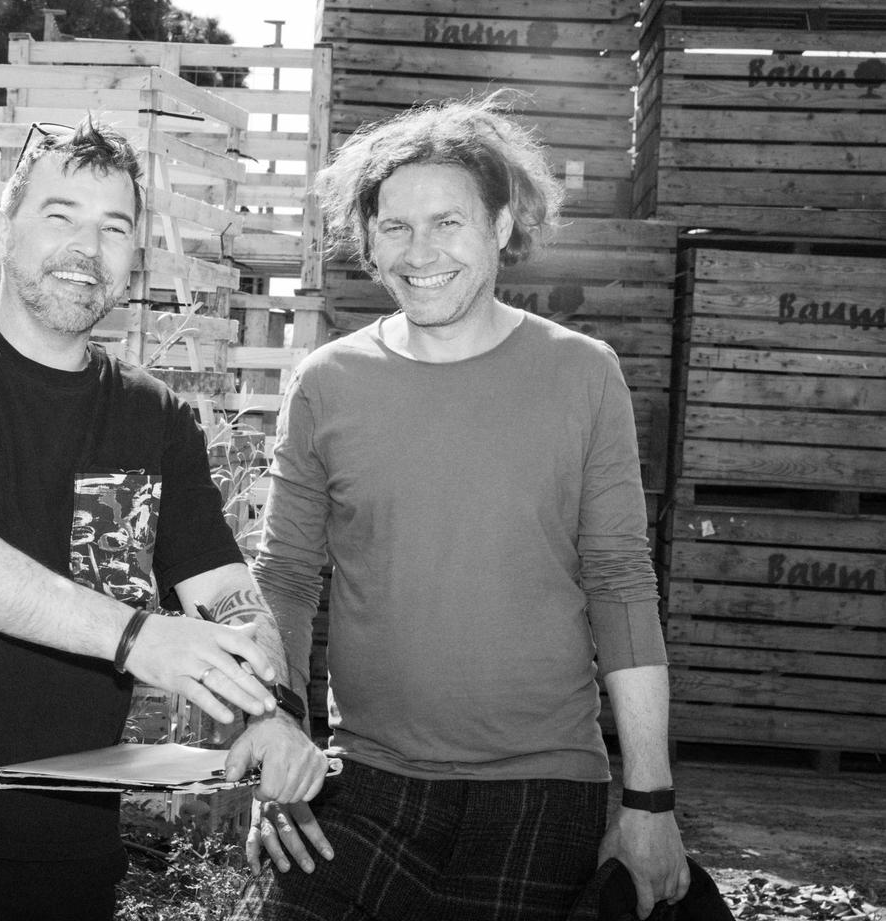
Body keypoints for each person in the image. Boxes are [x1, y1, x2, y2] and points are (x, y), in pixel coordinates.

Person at [0, 117, 328, 921]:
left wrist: (273, 714)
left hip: (69, 855)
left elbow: (225, 588)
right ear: (4, 230)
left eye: (114, 227)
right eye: (60, 216)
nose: (87, 247)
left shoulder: (154, 419)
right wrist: (139, 639)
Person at [231, 94, 689, 921]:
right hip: (361, 779)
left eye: (448, 223)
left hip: (542, 791)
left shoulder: (584, 374)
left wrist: (649, 802)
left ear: (501, 226)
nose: (420, 252)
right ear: (369, 241)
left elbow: (622, 585)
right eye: (395, 227)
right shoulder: (327, 383)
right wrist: (277, 725)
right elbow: (286, 577)